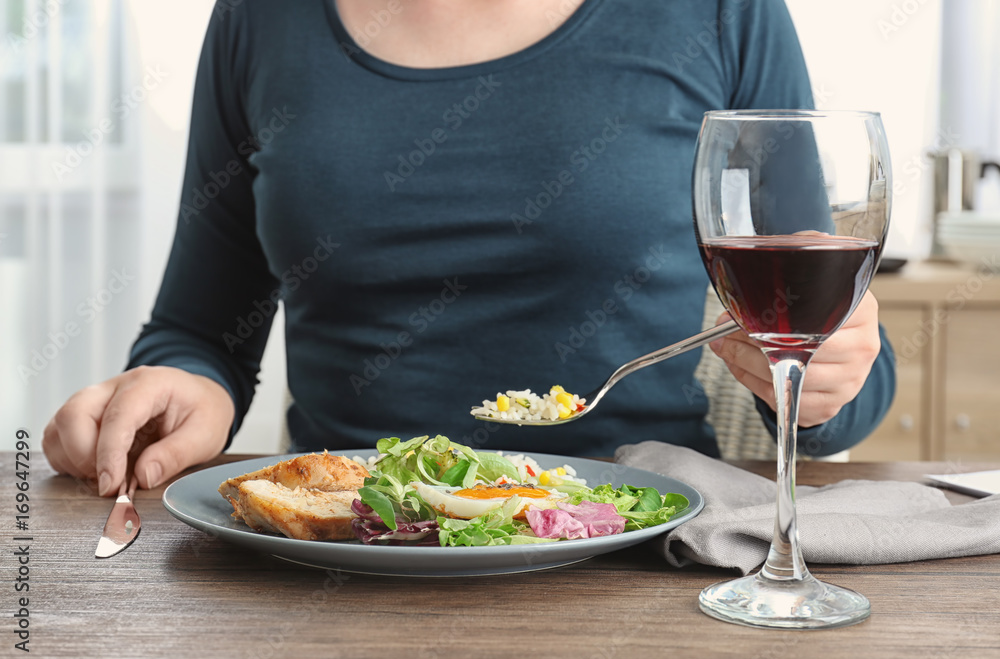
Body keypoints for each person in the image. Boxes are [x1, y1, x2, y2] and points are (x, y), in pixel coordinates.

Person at [42, 0, 895, 497]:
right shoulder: (261, 19)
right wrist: (178, 389)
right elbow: (199, 331)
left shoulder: (718, 10)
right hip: (348, 546)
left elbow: (828, 335)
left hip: (644, 547)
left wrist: (823, 382)